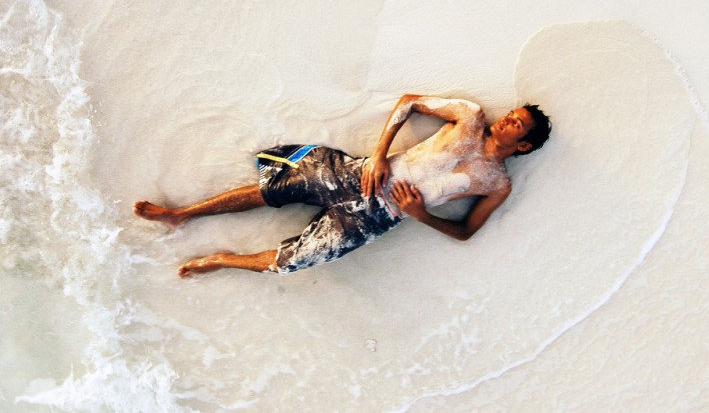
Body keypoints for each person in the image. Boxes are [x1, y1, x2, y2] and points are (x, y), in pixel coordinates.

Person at [133, 95, 551, 277]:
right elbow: (408, 101)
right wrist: (382, 153)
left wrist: (421, 215)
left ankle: (223, 260)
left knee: (294, 262)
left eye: (517, 124)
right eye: (511, 114)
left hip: (377, 217)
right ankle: (180, 215)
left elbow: (466, 232)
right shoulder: (470, 117)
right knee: (274, 191)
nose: (506, 120)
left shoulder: (496, 184)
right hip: (359, 174)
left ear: (524, 144)